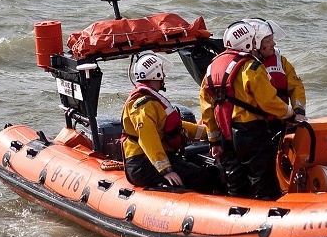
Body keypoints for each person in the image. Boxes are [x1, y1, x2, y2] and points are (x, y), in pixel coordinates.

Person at [200, 20, 294, 200]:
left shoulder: (212, 68)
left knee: (236, 182)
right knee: (263, 180)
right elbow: (269, 102)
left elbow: (207, 109)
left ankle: (237, 218)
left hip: (225, 136)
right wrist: (289, 114)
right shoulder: (251, 67)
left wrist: (214, 142)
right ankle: (266, 218)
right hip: (251, 133)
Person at [122, 52, 220, 192]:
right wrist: (166, 170)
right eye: (162, 72)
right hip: (142, 164)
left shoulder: (152, 102)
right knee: (202, 177)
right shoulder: (143, 105)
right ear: (156, 74)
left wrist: (208, 133)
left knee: (206, 172)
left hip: (152, 160)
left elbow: (175, 127)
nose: (164, 76)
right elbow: (148, 139)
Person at [244, 18, 306, 141]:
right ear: (255, 44)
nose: (274, 44)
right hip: (252, 127)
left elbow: (296, 87)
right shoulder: (242, 65)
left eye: (272, 40)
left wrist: (298, 112)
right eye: (269, 41)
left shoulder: (281, 62)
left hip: (281, 121)